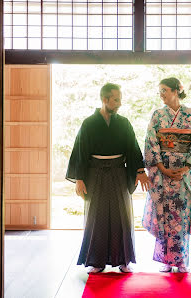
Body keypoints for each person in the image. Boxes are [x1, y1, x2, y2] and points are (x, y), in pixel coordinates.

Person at [66, 83, 150, 274]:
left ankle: (124, 260)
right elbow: (80, 151)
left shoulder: (124, 123)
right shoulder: (89, 123)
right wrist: (79, 178)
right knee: (97, 217)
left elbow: (132, 148)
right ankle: (97, 261)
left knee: (122, 216)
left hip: (119, 172)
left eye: (119, 99)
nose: (119, 103)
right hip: (94, 173)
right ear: (105, 99)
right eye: (116, 99)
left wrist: (139, 171)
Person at [142, 77, 191, 273]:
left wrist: (186, 167)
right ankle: (166, 259)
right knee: (164, 216)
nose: (161, 94)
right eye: (159, 91)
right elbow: (151, 142)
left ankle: (181, 260)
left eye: (164, 90)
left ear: (176, 91)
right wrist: (161, 168)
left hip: (184, 176)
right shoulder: (157, 115)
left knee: (182, 216)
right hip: (163, 175)